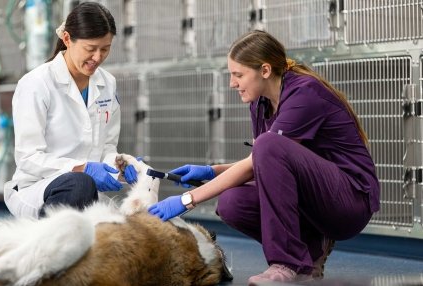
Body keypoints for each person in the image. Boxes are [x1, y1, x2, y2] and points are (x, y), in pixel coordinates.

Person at [148, 30, 380, 285]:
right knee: (231, 203)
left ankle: (286, 263)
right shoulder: (260, 103)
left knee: (268, 143)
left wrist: (187, 199)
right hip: (315, 200)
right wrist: (210, 171)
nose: (232, 83)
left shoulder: (305, 93)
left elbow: (267, 151)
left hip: (349, 201)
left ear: (265, 70)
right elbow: (262, 162)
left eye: (238, 75)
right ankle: (308, 255)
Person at [4, 2, 138, 219]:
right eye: (90, 49)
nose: (98, 57)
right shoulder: (36, 84)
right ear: (67, 39)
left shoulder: (108, 83)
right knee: (80, 185)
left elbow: (106, 147)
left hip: (86, 189)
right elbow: (28, 158)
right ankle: (46, 244)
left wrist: (119, 164)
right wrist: (82, 168)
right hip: (38, 187)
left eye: (105, 49)